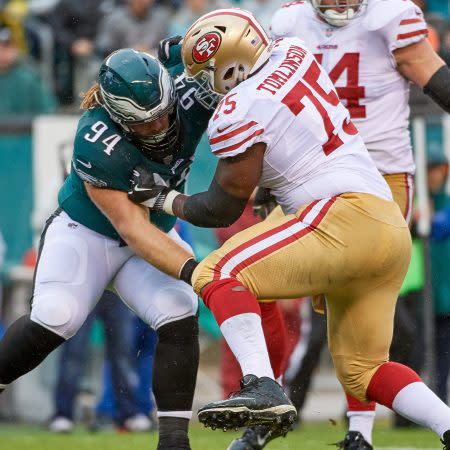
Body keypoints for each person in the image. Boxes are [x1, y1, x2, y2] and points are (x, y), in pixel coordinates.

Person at [127, 7, 450, 450]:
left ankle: (262, 383)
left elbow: (221, 207)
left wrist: (165, 198)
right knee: (363, 371)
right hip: (387, 225)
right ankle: (447, 424)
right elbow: (291, 136)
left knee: (218, 273)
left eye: (207, 74)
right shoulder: (294, 51)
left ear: (232, 68)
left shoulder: (240, 108)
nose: (203, 84)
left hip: (342, 217)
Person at [0, 44, 217, 450]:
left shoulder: (175, 82)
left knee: (179, 312)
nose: (160, 126)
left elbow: (216, 41)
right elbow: (132, 227)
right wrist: (198, 272)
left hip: (150, 229)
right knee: (56, 317)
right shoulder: (94, 137)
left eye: (163, 113)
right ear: (118, 116)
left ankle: (174, 443)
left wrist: (188, 43)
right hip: (89, 233)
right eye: (145, 122)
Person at [267, 1, 450, 448]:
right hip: (310, 176)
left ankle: (358, 430)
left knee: (356, 310)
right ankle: (263, 399)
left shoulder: (391, 15)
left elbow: (431, 72)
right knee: (243, 278)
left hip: (379, 178)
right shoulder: (288, 22)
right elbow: (269, 104)